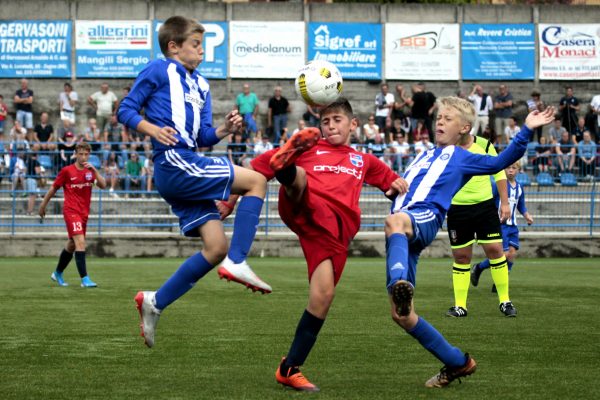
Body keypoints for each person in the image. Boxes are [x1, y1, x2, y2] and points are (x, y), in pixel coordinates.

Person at [218, 98, 406, 392]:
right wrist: (229, 202)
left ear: (353, 124)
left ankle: (289, 368)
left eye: (337, 120)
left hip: (333, 233)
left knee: (323, 297)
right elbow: (251, 173)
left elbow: (394, 184)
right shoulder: (312, 149)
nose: (330, 126)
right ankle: (286, 168)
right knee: (298, 175)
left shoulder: (364, 161)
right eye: (325, 121)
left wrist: (398, 187)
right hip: (305, 207)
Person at [117, 16, 270, 348]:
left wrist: (225, 130)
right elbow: (125, 109)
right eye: (196, 44)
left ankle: (155, 302)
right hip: (174, 162)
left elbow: (203, 136)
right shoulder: (158, 70)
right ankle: (240, 261)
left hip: (189, 160)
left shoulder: (201, 84)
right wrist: (152, 130)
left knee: (216, 248)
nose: (202, 51)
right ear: (174, 47)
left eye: (203, 45)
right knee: (257, 181)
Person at [384, 97, 554, 388]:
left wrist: (525, 130)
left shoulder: (461, 156)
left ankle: (401, 282)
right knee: (402, 315)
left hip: (422, 218)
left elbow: (500, 162)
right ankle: (458, 363)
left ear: (464, 128)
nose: (439, 121)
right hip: (403, 231)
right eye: (439, 117)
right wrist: (393, 189)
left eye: (447, 118)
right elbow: (403, 190)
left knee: (395, 222)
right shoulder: (423, 155)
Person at [444, 130, 514, 319]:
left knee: (495, 250)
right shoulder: (447, 147)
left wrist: (505, 203)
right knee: (461, 256)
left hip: (484, 206)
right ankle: (460, 306)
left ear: (465, 125)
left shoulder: (484, 145)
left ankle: (505, 301)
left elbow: (499, 172)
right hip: (457, 209)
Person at [39, 142, 107, 288]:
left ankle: (57, 273)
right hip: (71, 211)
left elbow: (103, 185)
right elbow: (53, 188)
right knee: (80, 242)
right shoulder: (67, 171)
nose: (83, 157)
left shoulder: (90, 172)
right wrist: (43, 204)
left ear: (89, 154)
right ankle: (85, 279)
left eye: (86, 154)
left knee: (72, 244)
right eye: (80, 154)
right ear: (76, 154)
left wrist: (95, 170)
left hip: (84, 213)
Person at [471, 161, 533, 291]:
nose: (511, 170)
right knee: (502, 255)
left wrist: (527, 215)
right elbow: (488, 201)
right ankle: (479, 267)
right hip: (500, 225)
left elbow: (521, 205)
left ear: (518, 170)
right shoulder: (498, 185)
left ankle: (498, 283)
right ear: (504, 170)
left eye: (514, 168)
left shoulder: (520, 188)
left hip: (513, 226)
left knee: (511, 254)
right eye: (508, 167)